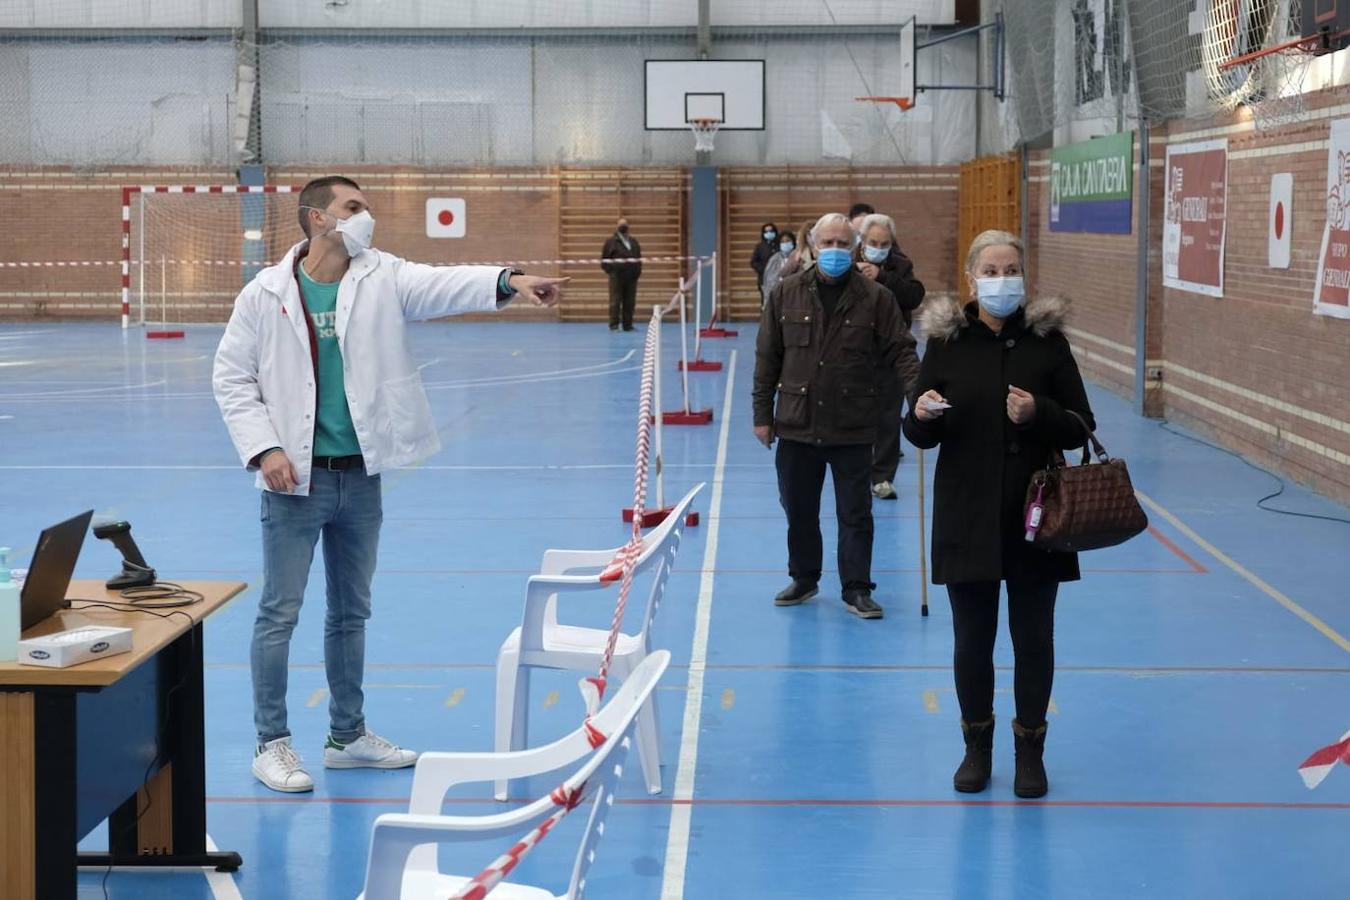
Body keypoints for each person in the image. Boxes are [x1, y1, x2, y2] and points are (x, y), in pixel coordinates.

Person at [213, 175, 566, 793]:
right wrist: (264, 448)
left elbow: (443, 283)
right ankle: (272, 743)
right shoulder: (263, 294)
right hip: (294, 483)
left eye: (366, 206)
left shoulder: (383, 275)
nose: (366, 216)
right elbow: (232, 377)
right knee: (280, 614)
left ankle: (347, 736)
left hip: (361, 480)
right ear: (317, 218)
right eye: (353, 207)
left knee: (351, 613)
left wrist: (510, 279)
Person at [902, 229, 1094, 800]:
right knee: (972, 641)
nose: (1002, 278)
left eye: (1011, 268)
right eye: (991, 269)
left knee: (1034, 640)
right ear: (971, 278)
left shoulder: (1047, 344)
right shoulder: (946, 344)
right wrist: (922, 413)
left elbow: (1083, 424)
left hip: (1038, 519)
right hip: (966, 515)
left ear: (1024, 276)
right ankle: (976, 748)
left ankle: (1030, 750)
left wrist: (1041, 412)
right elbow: (915, 432)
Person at [753, 212, 921, 621]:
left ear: (854, 248)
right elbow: (767, 357)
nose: (834, 251)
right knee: (799, 509)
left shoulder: (876, 297)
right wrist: (762, 414)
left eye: (843, 245)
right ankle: (805, 577)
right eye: (826, 244)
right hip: (796, 422)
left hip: (853, 422)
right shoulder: (784, 293)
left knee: (856, 513)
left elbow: (902, 350)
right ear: (812, 246)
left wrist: (919, 395)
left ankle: (857, 588)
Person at [855, 212, 926, 500]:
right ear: (862, 241)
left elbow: (913, 296)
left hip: (890, 352)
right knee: (854, 414)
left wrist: (883, 276)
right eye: (873, 241)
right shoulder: (847, 262)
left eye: (884, 243)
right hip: (855, 353)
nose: (878, 247)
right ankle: (855, 472)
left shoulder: (901, 266)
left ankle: (882, 477)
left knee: (888, 416)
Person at [601, 217, 642, 331]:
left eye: (625, 224)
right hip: (616, 276)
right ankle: (614, 325)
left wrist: (637, 272)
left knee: (630, 302)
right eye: (621, 224)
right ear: (617, 227)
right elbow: (604, 260)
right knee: (615, 301)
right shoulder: (611, 242)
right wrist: (612, 271)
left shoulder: (634, 242)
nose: (623, 226)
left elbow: (639, 258)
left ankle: (627, 325)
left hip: (631, 277)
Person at [760, 229, 796, 307]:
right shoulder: (774, 259)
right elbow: (768, 280)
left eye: (788, 241)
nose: (785, 243)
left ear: (793, 242)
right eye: (782, 242)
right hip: (778, 296)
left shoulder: (799, 257)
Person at [749, 222, 779, 294]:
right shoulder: (760, 247)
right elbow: (753, 262)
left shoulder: (779, 245)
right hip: (764, 279)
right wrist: (764, 269)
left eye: (771, 231)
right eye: (766, 231)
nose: (769, 233)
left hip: (778, 278)